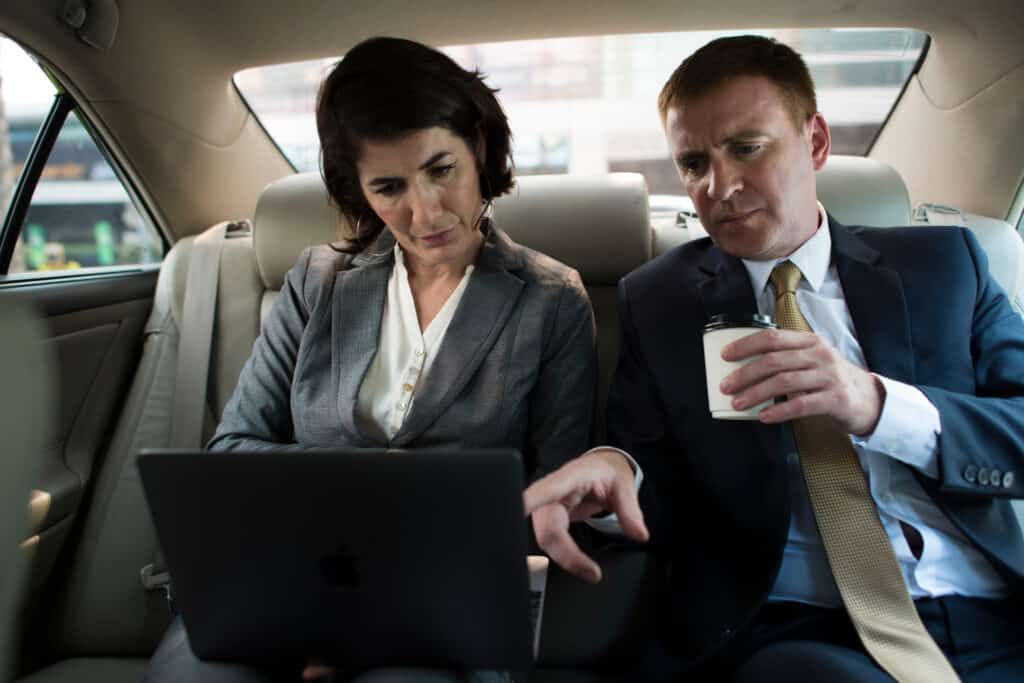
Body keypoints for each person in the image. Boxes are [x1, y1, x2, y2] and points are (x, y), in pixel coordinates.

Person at [525, 35, 1024, 682]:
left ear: (815, 141)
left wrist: (875, 403)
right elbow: (644, 464)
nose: (720, 186)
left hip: (994, 610)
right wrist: (614, 468)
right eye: (693, 162)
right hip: (799, 626)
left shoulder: (943, 267)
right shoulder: (660, 301)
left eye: (746, 149)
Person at [142, 36, 596, 683]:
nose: (425, 211)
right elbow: (234, 448)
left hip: (444, 604)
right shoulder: (316, 280)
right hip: (288, 584)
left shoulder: (553, 301)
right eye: (389, 186)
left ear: (482, 149)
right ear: (356, 188)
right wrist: (380, 481)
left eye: (442, 170)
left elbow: (554, 491)